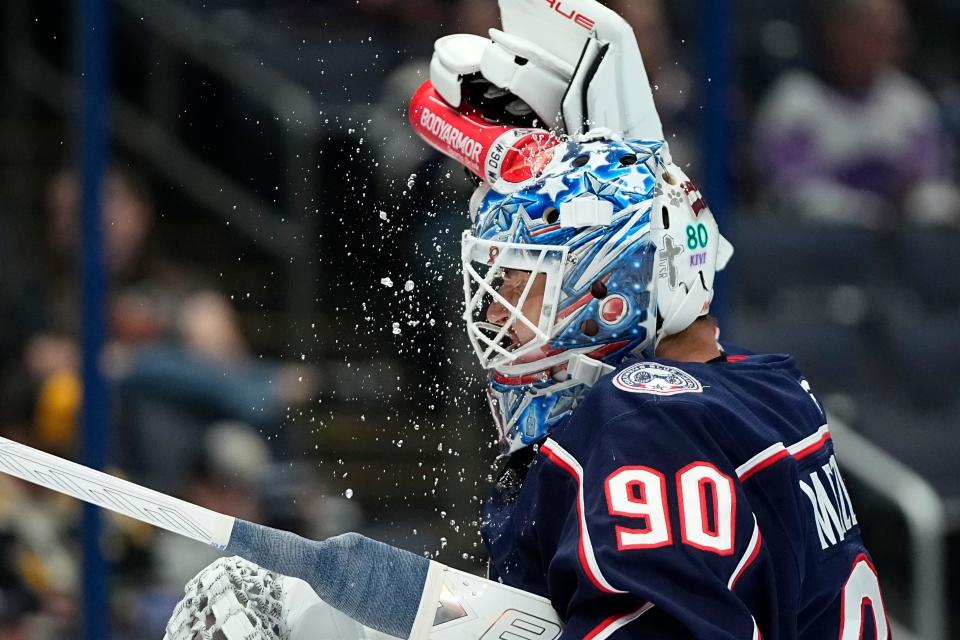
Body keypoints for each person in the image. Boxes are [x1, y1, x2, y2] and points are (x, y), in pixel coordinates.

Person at [753, 0, 959, 227]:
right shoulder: (795, 101)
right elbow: (791, 192)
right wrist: (866, 210)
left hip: (897, 248)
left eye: (894, 37)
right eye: (873, 34)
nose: (887, 47)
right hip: (816, 248)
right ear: (838, 35)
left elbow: (930, 183)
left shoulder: (911, 103)